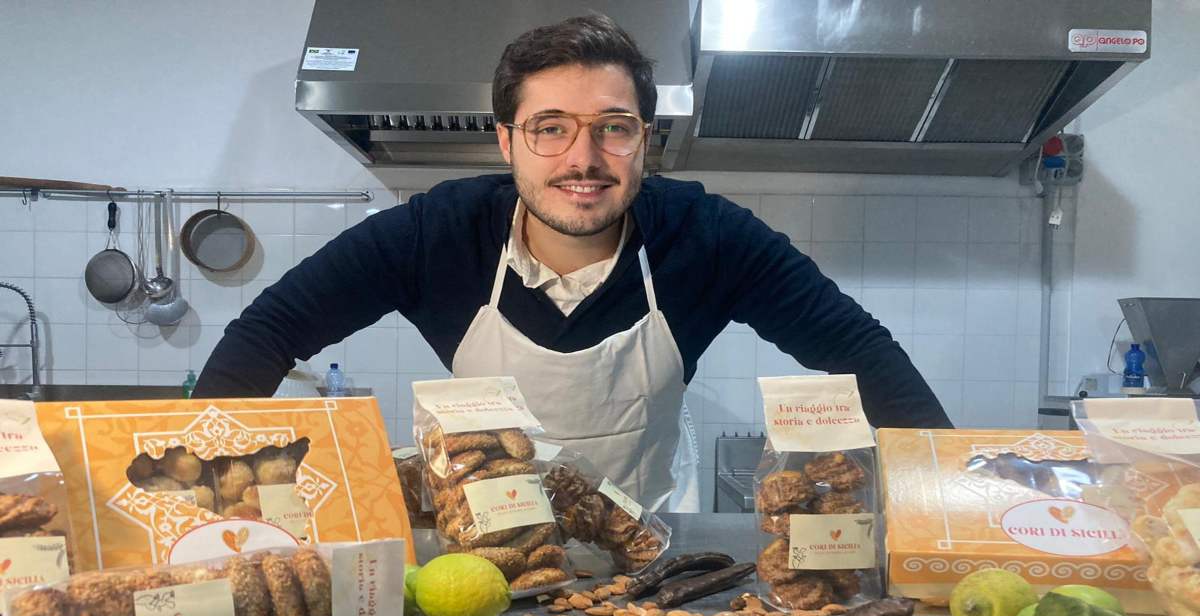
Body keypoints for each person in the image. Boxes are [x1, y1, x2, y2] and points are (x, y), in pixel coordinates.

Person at [196, 13, 951, 512]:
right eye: (550, 128)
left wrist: (948, 509)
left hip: (642, 574)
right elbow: (268, 330)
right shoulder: (437, 233)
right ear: (507, 141)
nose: (583, 159)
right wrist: (203, 495)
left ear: (646, 139)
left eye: (613, 128)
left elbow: (860, 351)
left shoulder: (709, 237)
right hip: (478, 569)